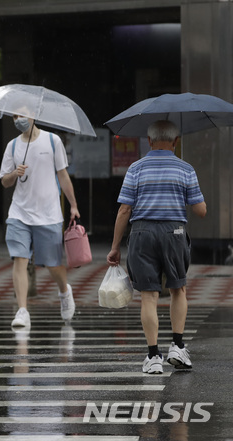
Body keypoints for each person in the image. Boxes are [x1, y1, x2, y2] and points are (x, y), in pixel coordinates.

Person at [107, 120, 207, 374]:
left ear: (149, 142)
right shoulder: (185, 169)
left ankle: (153, 357)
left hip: (142, 232)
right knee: (178, 288)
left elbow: (124, 210)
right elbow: (201, 211)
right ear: (175, 142)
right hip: (174, 232)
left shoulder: (136, 168)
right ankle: (177, 346)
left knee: (148, 296)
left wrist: (115, 246)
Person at [0, 114, 79, 328]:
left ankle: (64, 291)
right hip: (19, 213)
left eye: (21, 115)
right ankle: (22, 310)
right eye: (14, 115)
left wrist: (73, 204)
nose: (18, 119)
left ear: (33, 115)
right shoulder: (13, 145)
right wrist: (15, 173)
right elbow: (5, 181)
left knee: (53, 265)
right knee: (19, 259)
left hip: (48, 214)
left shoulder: (53, 141)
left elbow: (63, 175)